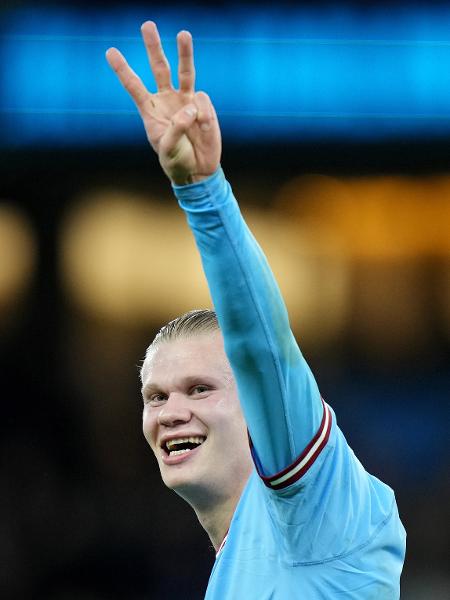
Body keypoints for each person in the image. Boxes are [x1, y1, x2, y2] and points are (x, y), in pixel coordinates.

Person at [106, 21, 406, 599]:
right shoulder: (234, 567)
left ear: (261, 409)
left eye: (199, 388)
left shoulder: (318, 510)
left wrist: (202, 191)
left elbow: (260, 346)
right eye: (156, 396)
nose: (169, 412)